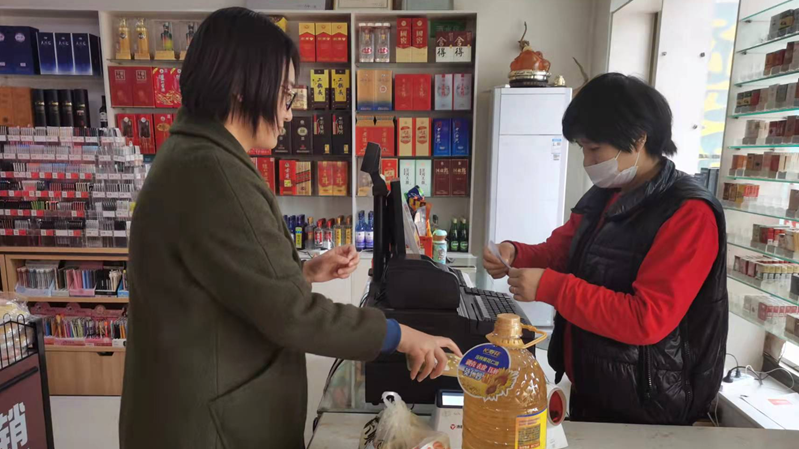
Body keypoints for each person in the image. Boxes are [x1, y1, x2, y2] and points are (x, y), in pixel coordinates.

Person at [119, 8, 460, 449]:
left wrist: (301, 273)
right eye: (284, 95)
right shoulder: (213, 172)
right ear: (242, 86)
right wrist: (400, 335)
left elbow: (223, 284)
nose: (288, 112)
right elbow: (292, 316)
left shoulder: (194, 156)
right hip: (208, 427)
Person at [483, 73, 727, 425]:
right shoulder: (607, 194)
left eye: (595, 149)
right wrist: (515, 253)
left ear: (638, 139)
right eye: (583, 148)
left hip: (648, 405)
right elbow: (563, 250)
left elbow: (646, 319)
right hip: (597, 386)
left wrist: (552, 287)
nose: (587, 160)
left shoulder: (688, 214)